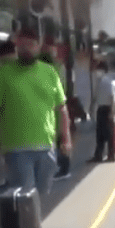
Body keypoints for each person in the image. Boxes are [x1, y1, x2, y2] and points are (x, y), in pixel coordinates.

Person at [0, 26, 71, 228]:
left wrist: (66, 138)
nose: (26, 48)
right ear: (16, 47)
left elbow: (61, 108)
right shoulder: (4, 75)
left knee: (40, 193)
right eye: (21, 45)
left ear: (37, 46)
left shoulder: (49, 73)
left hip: (46, 146)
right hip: (16, 148)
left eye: (30, 44)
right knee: (25, 193)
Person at [38, 42, 72, 181]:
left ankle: (63, 168)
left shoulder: (53, 69)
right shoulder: (58, 67)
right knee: (60, 139)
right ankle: (62, 167)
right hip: (57, 108)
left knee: (60, 140)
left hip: (55, 109)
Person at [88, 61, 115, 163]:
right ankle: (99, 155)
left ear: (103, 70)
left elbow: (112, 96)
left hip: (106, 109)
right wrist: (92, 107)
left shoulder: (107, 81)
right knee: (100, 134)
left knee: (108, 134)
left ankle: (111, 155)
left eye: (98, 69)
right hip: (101, 109)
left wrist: (111, 112)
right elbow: (96, 96)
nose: (96, 72)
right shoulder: (99, 81)